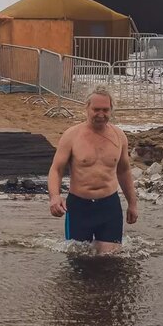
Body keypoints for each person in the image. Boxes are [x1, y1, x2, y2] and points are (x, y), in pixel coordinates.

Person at [47, 88, 139, 254]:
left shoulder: (119, 136)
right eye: (96, 109)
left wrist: (132, 203)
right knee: (77, 261)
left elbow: (124, 171)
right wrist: (54, 196)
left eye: (105, 110)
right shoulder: (72, 136)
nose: (101, 114)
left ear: (111, 110)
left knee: (110, 260)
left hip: (109, 205)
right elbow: (56, 169)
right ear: (87, 108)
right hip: (79, 206)